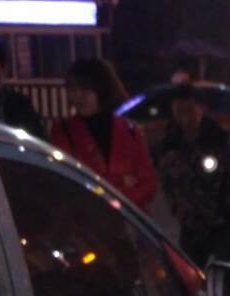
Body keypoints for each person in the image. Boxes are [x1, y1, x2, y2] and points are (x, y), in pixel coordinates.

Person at [157, 84, 230, 265]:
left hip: (220, 226)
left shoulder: (219, 138)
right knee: (192, 276)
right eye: (179, 110)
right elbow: (165, 179)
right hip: (189, 228)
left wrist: (224, 205)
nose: (184, 116)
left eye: (189, 110)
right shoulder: (170, 143)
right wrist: (176, 207)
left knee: (226, 275)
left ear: (201, 108)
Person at [51, 58, 157, 209]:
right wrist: (122, 182)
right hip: (87, 218)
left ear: (102, 89)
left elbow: (149, 184)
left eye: (86, 90)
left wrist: (116, 201)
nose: (78, 97)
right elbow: (67, 182)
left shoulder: (130, 130)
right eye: (73, 90)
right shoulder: (64, 131)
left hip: (129, 218)